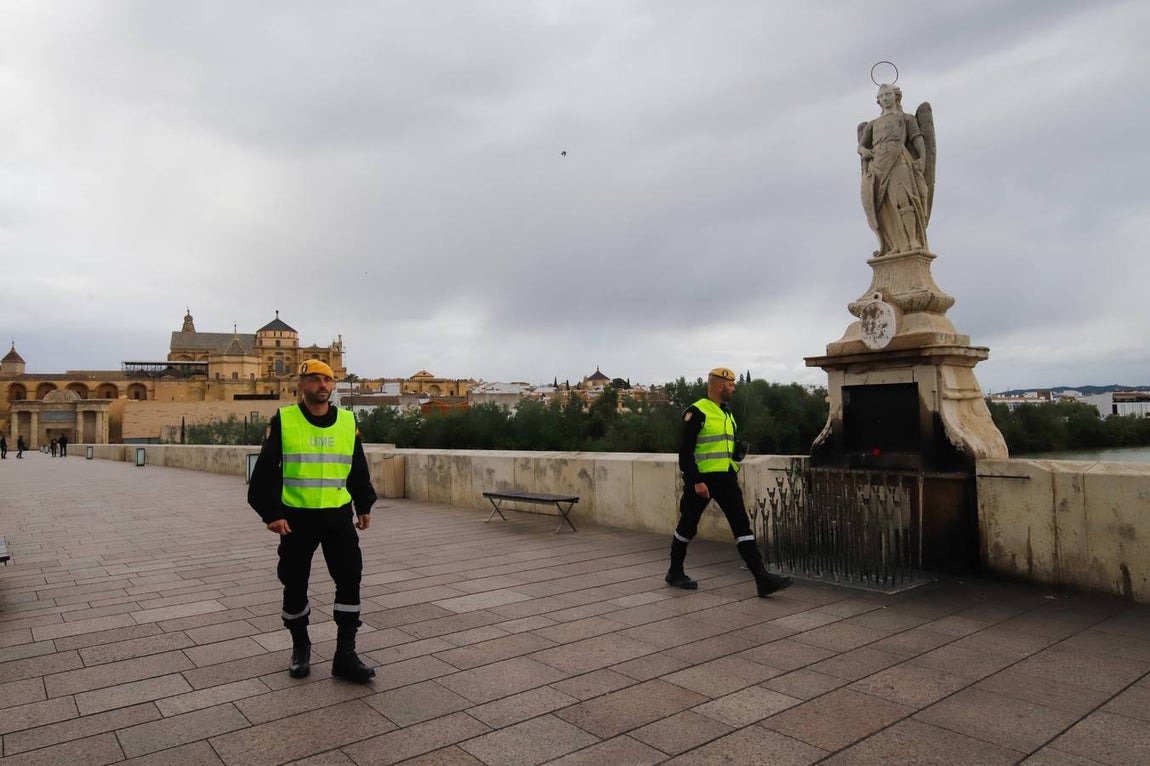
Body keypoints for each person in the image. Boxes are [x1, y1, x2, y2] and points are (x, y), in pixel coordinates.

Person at [247, 359, 377, 683]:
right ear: (302, 384)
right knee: (294, 584)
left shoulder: (347, 421)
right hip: (297, 519)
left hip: (337, 517)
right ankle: (300, 648)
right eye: (315, 379)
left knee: (350, 580)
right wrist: (272, 513)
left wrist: (364, 503)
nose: (322, 385)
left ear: (332, 386)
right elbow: (264, 472)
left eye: (327, 380)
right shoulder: (285, 420)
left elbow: (356, 466)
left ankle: (345, 656)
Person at [665, 367, 793, 598]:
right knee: (688, 526)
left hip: (726, 477)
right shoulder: (697, 411)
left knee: (742, 526)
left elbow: (719, 446)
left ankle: (762, 578)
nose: (734, 388)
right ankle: (675, 571)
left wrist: (736, 452)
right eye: (731, 385)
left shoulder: (727, 413)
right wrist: (696, 481)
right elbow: (685, 452)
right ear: (720, 385)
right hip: (702, 480)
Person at [857, 82, 933, 257]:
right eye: (881, 96)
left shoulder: (906, 118)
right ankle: (895, 243)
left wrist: (922, 158)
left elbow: (917, 139)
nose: (884, 99)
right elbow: (860, 147)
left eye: (888, 95)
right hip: (878, 164)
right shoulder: (873, 124)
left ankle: (912, 240)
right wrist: (865, 151)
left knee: (903, 199)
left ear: (896, 96)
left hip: (899, 158)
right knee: (883, 205)